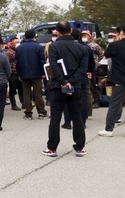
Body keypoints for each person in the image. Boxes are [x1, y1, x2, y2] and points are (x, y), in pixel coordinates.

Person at [42, 21, 88, 158]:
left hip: (57, 86)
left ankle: (52, 148)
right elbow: (83, 68)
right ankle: (80, 147)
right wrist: (71, 82)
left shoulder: (54, 46)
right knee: (77, 117)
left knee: (55, 118)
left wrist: (63, 81)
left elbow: (54, 66)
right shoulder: (82, 48)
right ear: (71, 30)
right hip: (76, 86)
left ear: (57, 31)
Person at [16, 30, 48, 120]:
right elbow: (42, 61)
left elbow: (17, 62)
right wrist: (43, 72)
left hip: (24, 73)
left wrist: (19, 73)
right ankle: (41, 112)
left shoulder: (19, 48)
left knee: (26, 93)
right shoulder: (38, 47)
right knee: (38, 94)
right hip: (36, 73)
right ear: (34, 36)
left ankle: (28, 113)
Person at [5, 37, 24, 111]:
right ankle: (14, 104)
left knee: (21, 89)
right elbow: (7, 63)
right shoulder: (9, 52)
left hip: (20, 72)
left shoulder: (19, 51)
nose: (17, 44)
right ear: (11, 43)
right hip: (12, 73)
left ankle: (23, 103)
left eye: (18, 42)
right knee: (12, 90)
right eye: (16, 42)